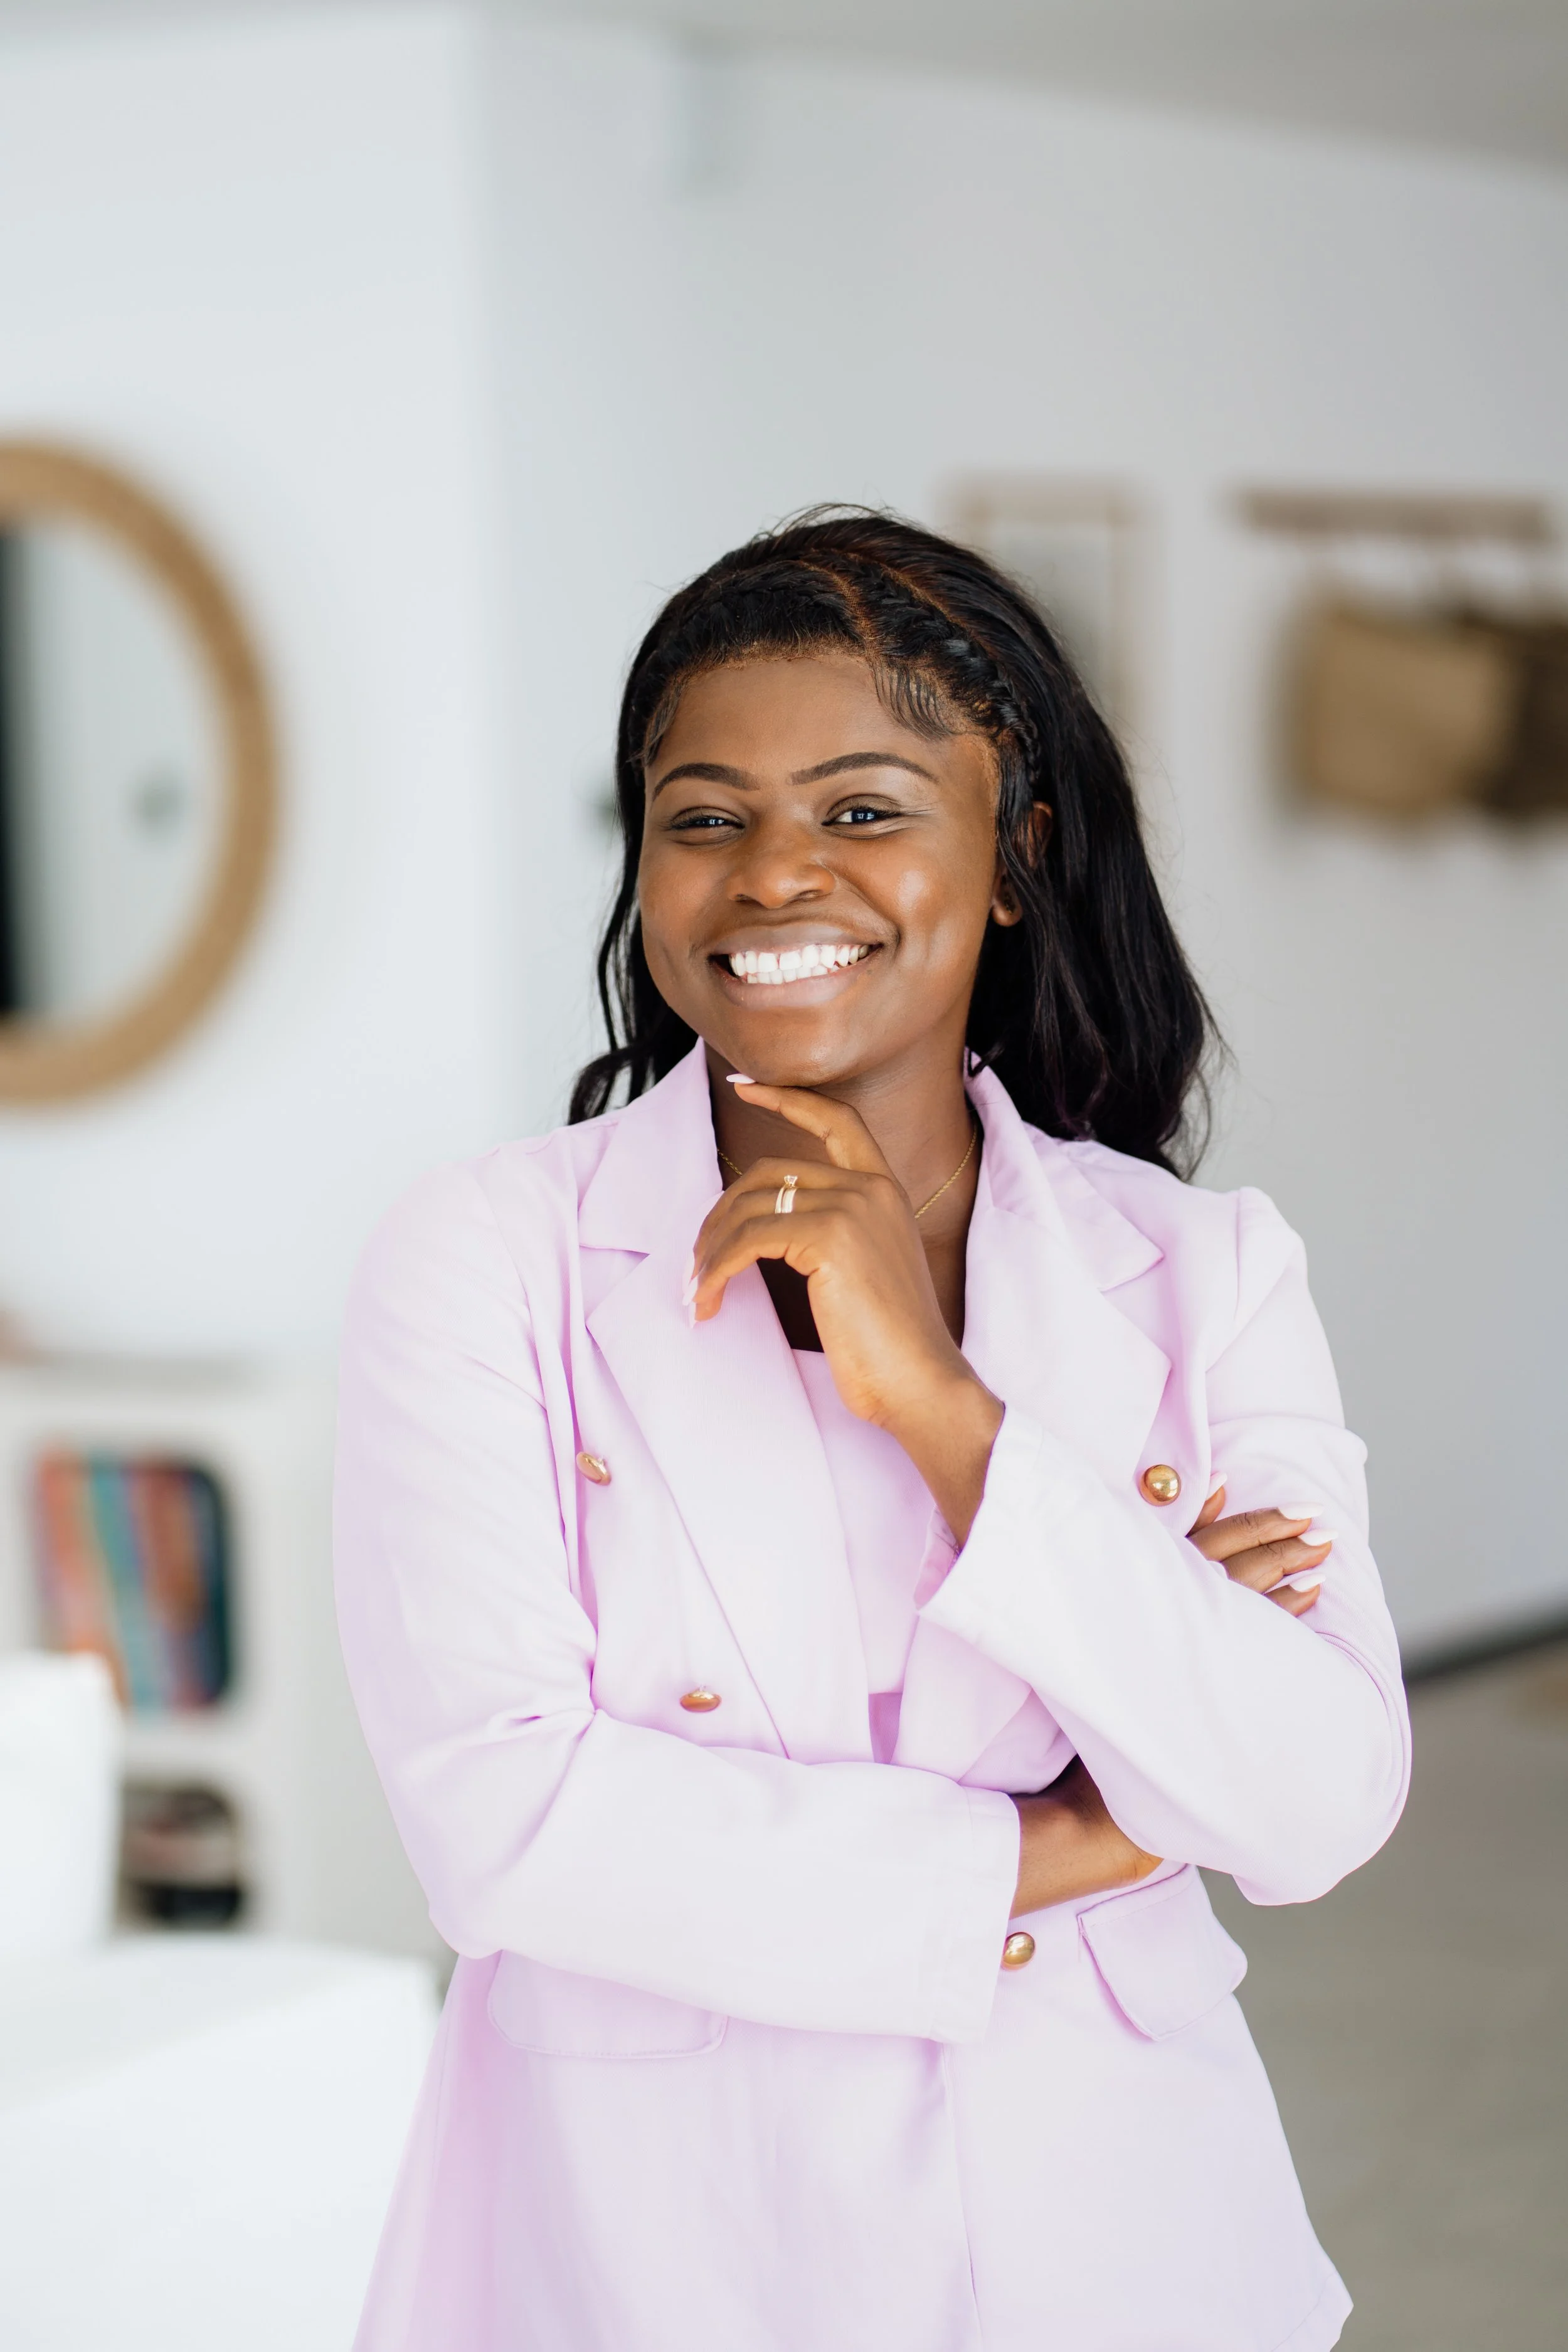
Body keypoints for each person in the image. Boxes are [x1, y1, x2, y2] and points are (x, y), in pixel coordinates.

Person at [334, 510, 1411, 2352]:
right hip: (655, 2255)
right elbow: (509, 1823)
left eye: (860, 808)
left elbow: (1312, 1798)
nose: (771, 875)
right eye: (703, 815)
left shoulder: (1193, 1269)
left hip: (1121, 2241)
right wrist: (1073, 1832)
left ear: (1011, 858)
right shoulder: (489, 1255)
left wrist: (944, 1408)